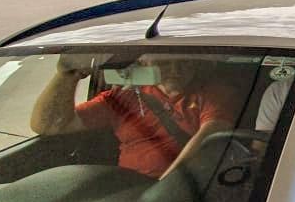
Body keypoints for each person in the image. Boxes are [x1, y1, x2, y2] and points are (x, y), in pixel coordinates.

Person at [30, 53, 235, 179]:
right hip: (127, 190)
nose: (175, 70)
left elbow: (210, 138)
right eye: (164, 64)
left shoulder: (212, 93)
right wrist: (67, 74)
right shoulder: (121, 97)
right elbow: (49, 126)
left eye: (184, 62)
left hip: (179, 192)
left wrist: (163, 191)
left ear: (197, 64)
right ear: (145, 63)